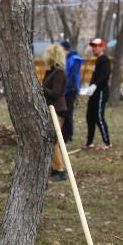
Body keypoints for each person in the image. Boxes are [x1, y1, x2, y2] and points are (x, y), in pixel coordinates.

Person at [41, 44, 68, 181]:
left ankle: (60, 170)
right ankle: (54, 167)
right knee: (52, 140)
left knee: (54, 140)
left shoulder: (59, 73)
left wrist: (40, 87)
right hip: (50, 109)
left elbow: (56, 93)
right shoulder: (51, 71)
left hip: (57, 109)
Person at [85, 38, 111, 150]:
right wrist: (91, 86)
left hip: (101, 92)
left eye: (96, 46)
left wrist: (95, 85)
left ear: (102, 47)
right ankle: (89, 143)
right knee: (90, 116)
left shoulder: (104, 59)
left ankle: (107, 142)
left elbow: (104, 75)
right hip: (94, 93)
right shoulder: (98, 60)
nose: (94, 48)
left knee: (99, 117)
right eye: (93, 46)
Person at [60, 40, 84, 144]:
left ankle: (68, 136)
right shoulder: (66, 58)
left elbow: (73, 76)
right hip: (65, 90)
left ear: (66, 49)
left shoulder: (74, 59)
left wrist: (70, 88)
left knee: (68, 113)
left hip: (70, 90)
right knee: (63, 112)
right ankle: (64, 135)